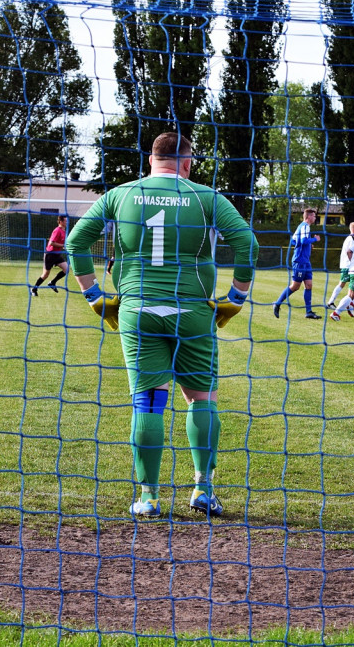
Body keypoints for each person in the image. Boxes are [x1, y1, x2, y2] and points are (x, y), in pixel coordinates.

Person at [65, 132, 259, 519]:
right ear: (187, 163)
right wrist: (235, 300)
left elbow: (74, 243)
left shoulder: (120, 194)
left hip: (138, 313)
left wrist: (95, 297)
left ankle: (149, 497)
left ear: (150, 160)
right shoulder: (206, 197)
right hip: (193, 313)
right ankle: (203, 489)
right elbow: (247, 244)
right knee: (201, 400)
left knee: (148, 403)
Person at [273, 208, 321, 319]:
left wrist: (308, 245)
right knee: (295, 286)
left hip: (306, 261)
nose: (315, 218)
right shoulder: (305, 226)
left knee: (309, 285)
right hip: (299, 261)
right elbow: (303, 241)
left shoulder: (302, 226)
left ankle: (308, 312)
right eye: (314, 216)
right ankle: (277, 303)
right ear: (308, 217)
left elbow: (293, 240)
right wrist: (314, 240)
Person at [325, 222, 354, 309]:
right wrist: (353, 262)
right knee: (343, 284)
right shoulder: (350, 239)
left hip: (348, 265)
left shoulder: (351, 239)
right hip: (347, 266)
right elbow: (349, 252)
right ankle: (330, 302)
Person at [32, 215, 68, 295]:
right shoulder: (57, 230)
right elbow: (51, 243)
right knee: (45, 274)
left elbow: (62, 244)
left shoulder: (64, 231)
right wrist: (63, 246)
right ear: (61, 222)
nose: (67, 222)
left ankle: (52, 283)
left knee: (67, 269)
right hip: (50, 255)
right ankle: (34, 289)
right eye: (65, 221)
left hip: (57, 255)